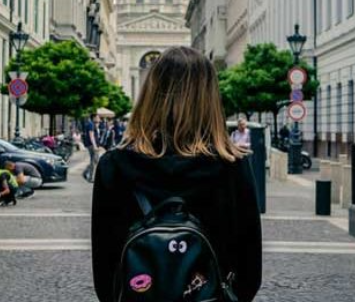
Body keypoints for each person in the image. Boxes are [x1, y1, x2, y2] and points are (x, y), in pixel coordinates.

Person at [91, 46, 262, 302]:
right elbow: (249, 271)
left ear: (150, 94)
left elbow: (105, 271)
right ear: (210, 99)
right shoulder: (232, 166)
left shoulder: (113, 165)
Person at [82, 114, 100, 183]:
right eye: (97, 117)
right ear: (94, 118)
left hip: (92, 145)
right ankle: (90, 177)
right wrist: (95, 146)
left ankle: (86, 173)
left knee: (94, 160)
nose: (99, 119)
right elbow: (91, 136)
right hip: (92, 145)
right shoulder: (91, 124)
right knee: (94, 161)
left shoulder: (91, 124)